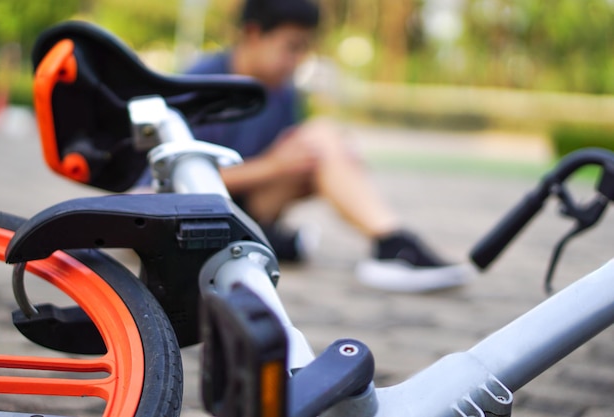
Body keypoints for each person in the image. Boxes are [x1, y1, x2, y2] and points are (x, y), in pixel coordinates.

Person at [181, 0, 474, 292]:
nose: (297, 60)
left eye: (303, 49)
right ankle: (392, 245)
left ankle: (388, 244)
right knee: (321, 137)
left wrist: (337, 161)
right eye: (291, 47)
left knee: (324, 142)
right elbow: (169, 184)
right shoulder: (199, 84)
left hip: (254, 204)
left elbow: (293, 158)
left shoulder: (283, 92)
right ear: (254, 34)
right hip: (199, 213)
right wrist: (274, 166)